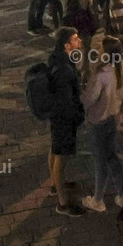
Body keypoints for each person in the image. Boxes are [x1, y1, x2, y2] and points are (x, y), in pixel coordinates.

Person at [81, 37, 123, 213]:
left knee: (100, 161)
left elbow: (89, 100)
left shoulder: (101, 75)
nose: (96, 49)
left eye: (99, 47)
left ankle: (98, 199)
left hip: (99, 122)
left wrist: (80, 97)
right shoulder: (119, 69)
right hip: (113, 118)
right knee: (111, 157)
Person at [48, 27, 86, 217]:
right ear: (66, 45)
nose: (79, 41)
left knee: (55, 149)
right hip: (64, 119)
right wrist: (75, 116)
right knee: (61, 157)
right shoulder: (63, 69)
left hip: (57, 117)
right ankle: (63, 203)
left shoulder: (58, 59)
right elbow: (66, 100)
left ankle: (56, 185)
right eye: (75, 38)